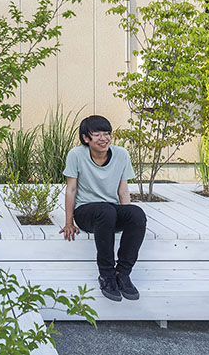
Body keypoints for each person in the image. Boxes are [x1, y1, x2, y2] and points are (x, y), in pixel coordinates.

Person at [58, 115, 147, 302]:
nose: (103, 138)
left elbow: (123, 190)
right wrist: (68, 222)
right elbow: (71, 189)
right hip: (86, 212)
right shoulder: (76, 155)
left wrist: (127, 216)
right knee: (105, 211)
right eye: (97, 134)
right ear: (85, 138)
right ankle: (106, 275)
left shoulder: (121, 155)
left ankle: (122, 274)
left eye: (107, 134)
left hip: (111, 212)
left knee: (136, 214)